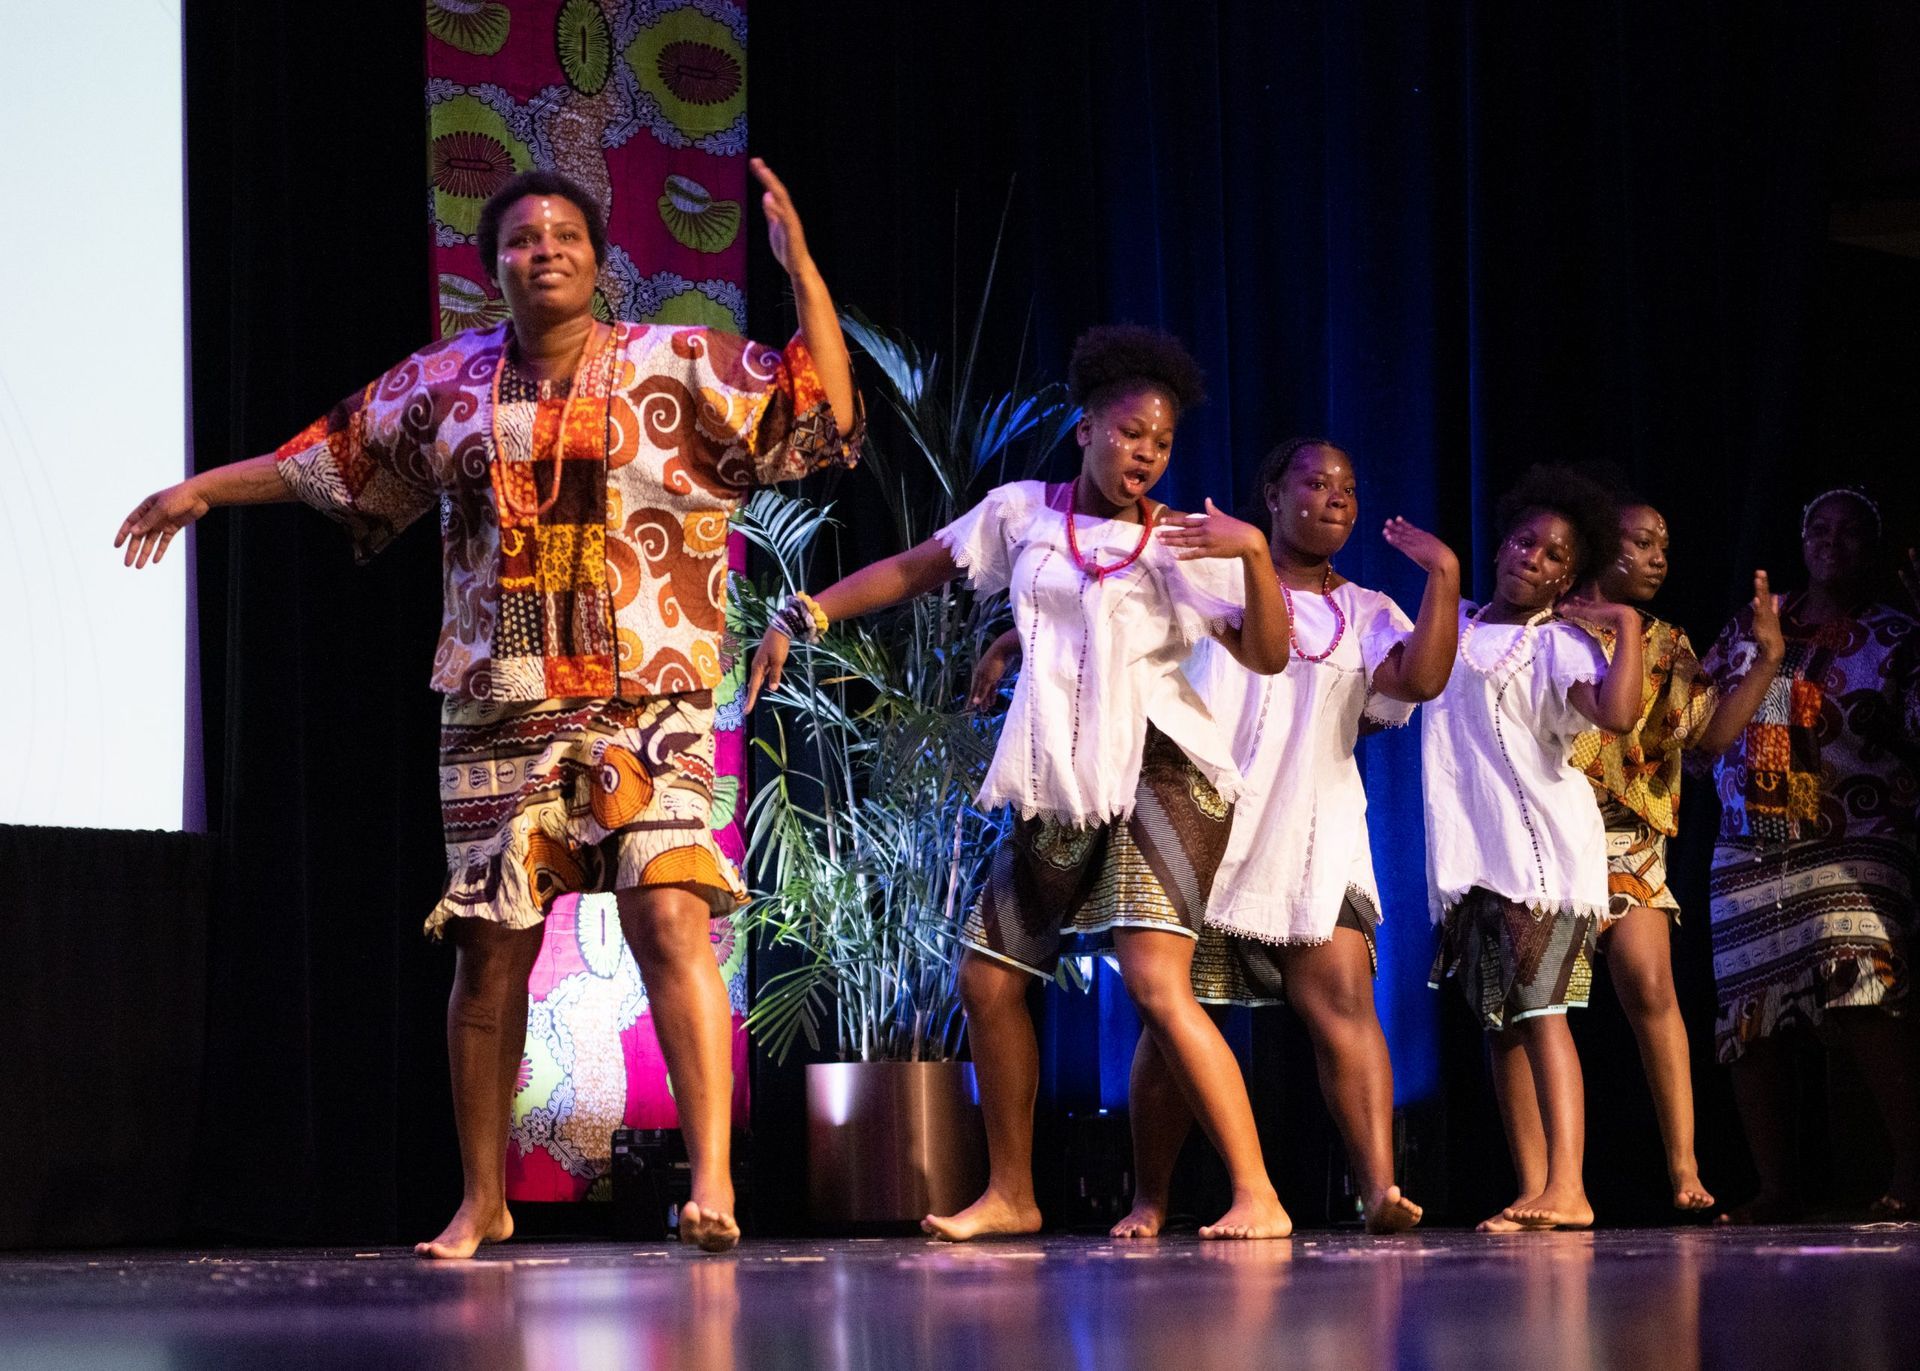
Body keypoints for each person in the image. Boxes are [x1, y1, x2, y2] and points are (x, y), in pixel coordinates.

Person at [116, 164, 862, 1256]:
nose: (545, 249)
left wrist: (800, 272)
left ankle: (713, 1185)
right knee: (490, 946)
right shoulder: (449, 382)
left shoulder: (675, 361)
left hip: (644, 693)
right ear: (494, 267)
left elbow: (821, 412)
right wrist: (200, 490)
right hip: (497, 701)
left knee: (668, 917)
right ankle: (484, 1196)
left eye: (565, 234)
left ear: (599, 262)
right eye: (521, 239)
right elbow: (330, 457)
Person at [748, 325, 1296, 1240]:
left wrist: (1252, 556)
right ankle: (1012, 1191)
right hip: (1058, 773)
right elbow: (916, 568)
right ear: (1084, 429)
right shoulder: (1021, 513)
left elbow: (1269, 656)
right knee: (990, 976)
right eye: (1130, 434)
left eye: (1161, 443)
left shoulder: (1184, 542)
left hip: (1168, 768)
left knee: (1157, 979)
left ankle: (1258, 1192)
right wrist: (806, 611)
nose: (1146, 455)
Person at [970, 438, 1460, 1235]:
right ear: (1272, 493)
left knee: (1342, 998)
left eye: (1348, 487)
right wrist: (1014, 640)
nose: (1336, 497)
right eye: (1315, 481)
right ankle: (1152, 1196)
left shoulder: (1367, 609)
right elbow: (1109, 620)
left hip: (1313, 826)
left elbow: (1422, 677)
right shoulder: (1210, 570)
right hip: (1202, 811)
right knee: (1174, 1014)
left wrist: (1443, 577)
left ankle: (1378, 1189)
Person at [1423, 466, 1644, 1231]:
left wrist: (1626, 625)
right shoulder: (1454, 629)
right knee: (1505, 1025)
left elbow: (1616, 715)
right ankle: (1533, 1186)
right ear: (1502, 543)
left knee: (1544, 1014)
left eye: (1554, 555)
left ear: (1569, 576)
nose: (1533, 558)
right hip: (1474, 862)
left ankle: (1570, 1186)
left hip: (1540, 858)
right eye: (1525, 541)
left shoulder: (1555, 644)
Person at [1699, 486, 1920, 1222]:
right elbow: (1703, 726)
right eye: (1819, 528)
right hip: (1754, 840)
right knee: (1748, 1013)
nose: (1833, 541)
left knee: (1858, 972)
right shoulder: (1762, 620)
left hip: (1859, 837)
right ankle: (1775, 1185)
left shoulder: (1896, 632)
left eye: (1852, 531)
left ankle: (1912, 1165)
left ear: (1875, 547)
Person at [1565, 496, 1784, 1213]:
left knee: (1652, 989)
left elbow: (1708, 739)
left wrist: (1767, 660)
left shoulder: (1666, 642)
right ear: (1601, 544)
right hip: (1545, 830)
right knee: (1532, 1009)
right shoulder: (1548, 626)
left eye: (1665, 544)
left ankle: (1685, 1169)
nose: (1659, 556)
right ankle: (1550, 1178)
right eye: (1642, 542)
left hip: (1629, 833)